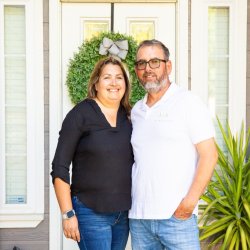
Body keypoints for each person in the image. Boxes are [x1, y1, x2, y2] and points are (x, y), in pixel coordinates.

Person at [129, 39, 218, 250]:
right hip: (140, 219)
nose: (147, 69)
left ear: (168, 66)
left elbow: (210, 155)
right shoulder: (137, 111)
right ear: (136, 70)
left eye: (154, 62)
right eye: (142, 63)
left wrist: (189, 203)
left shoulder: (188, 102)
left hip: (177, 218)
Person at [51, 56, 134, 250]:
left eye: (119, 77)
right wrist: (67, 213)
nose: (114, 83)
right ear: (96, 83)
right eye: (107, 77)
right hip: (90, 212)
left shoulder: (130, 116)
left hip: (123, 215)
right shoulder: (80, 114)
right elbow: (60, 168)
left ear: (125, 83)